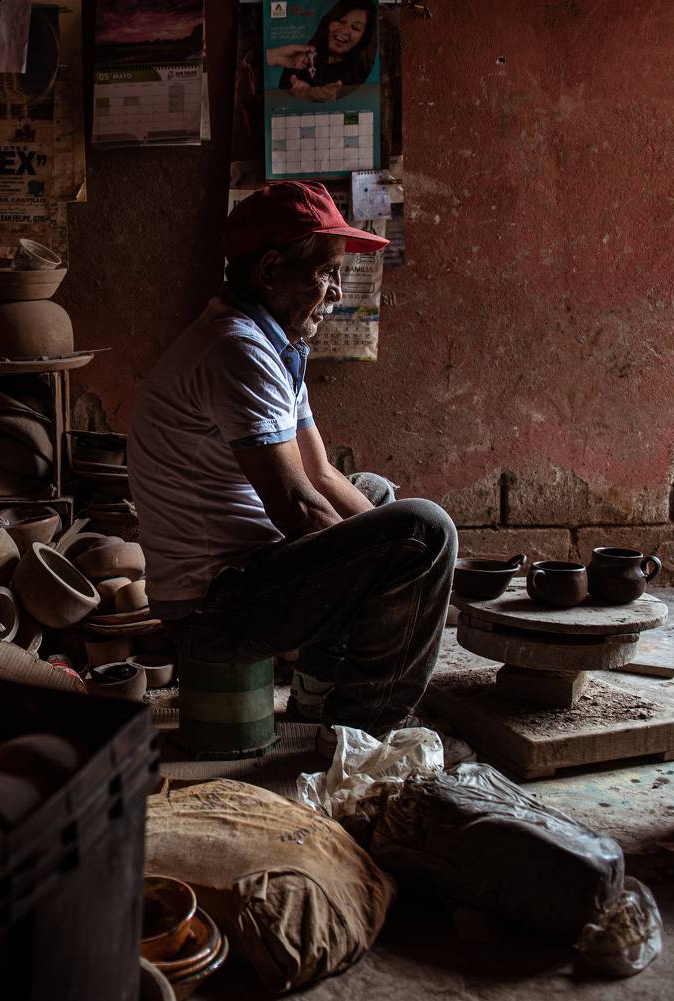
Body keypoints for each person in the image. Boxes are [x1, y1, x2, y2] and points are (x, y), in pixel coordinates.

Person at [128, 181, 455, 749]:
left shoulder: (271, 343)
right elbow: (298, 509)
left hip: (246, 575)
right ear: (271, 271)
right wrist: (407, 573)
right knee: (425, 532)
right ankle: (359, 733)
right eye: (327, 274)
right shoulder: (236, 349)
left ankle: (316, 692)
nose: (337, 293)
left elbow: (321, 474)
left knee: (377, 496)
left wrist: (400, 568)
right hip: (214, 607)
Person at [266, 0, 378, 103]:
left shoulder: (364, 74)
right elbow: (278, 103)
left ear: (364, 37)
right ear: (329, 21)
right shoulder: (302, 58)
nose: (344, 30)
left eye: (356, 27)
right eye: (341, 21)